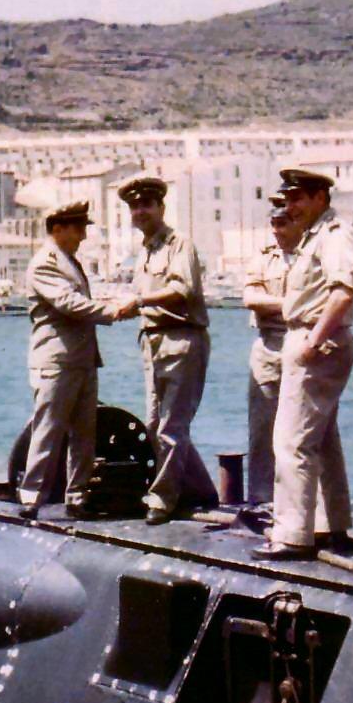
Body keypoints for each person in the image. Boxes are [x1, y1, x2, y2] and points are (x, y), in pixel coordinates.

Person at [252, 166, 353, 561]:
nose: (291, 206)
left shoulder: (333, 235)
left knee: (292, 441)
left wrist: (313, 341)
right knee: (322, 440)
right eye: (288, 199)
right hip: (309, 338)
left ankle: (293, 534)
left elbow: (343, 292)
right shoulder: (314, 235)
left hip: (316, 341)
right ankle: (332, 525)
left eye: (297, 198)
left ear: (320, 197)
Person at [17, 200, 132, 520]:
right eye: (78, 228)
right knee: (48, 429)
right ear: (58, 229)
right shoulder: (45, 263)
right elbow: (69, 303)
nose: (83, 235)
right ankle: (31, 497)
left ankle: (77, 497)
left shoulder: (69, 261)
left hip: (82, 360)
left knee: (84, 433)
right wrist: (114, 311)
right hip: (56, 361)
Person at [118, 176, 217, 524]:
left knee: (171, 426)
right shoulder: (145, 251)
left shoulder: (179, 245)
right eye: (134, 207)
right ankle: (201, 490)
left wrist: (139, 301)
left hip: (181, 339)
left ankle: (162, 499)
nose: (140, 212)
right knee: (156, 423)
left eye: (146, 204)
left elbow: (183, 289)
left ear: (161, 207)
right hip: (153, 341)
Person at [241, 193, 304, 507]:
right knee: (263, 429)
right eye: (274, 224)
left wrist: (276, 304)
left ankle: (303, 502)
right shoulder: (264, 258)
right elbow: (251, 298)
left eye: (284, 223)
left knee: (302, 432)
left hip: (303, 345)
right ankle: (261, 498)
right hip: (268, 349)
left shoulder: (311, 256)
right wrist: (293, 304)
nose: (277, 231)